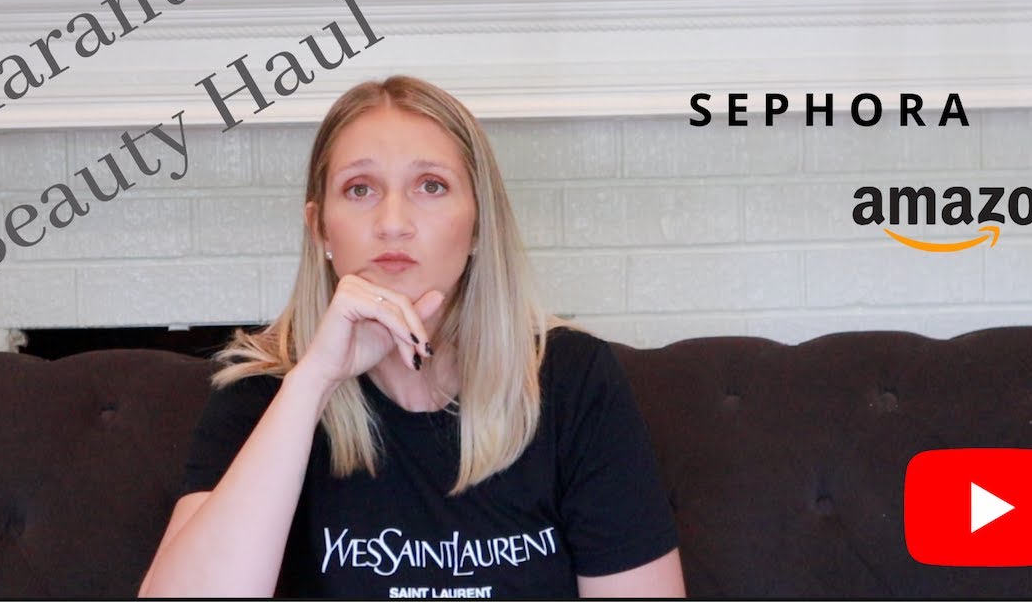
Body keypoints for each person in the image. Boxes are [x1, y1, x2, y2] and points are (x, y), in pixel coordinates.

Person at [138, 75, 685, 598]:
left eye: (431, 186)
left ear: (479, 225)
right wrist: (313, 383)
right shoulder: (265, 387)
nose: (393, 222)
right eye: (360, 189)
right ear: (320, 227)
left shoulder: (571, 378)